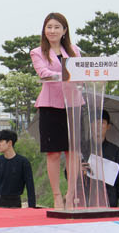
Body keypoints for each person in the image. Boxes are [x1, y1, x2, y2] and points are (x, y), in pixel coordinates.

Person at [30, 12, 81, 208]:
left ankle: (71, 194)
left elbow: (80, 72)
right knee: (53, 153)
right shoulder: (37, 52)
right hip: (50, 105)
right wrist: (66, 75)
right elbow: (44, 73)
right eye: (49, 27)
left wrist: (73, 76)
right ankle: (57, 196)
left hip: (73, 103)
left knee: (72, 152)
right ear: (44, 30)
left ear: (64, 30)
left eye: (57, 27)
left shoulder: (74, 50)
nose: (52, 31)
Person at [0, 128, 37, 208]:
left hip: (15, 204)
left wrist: (32, 208)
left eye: (1, 141)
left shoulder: (23, 162)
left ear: (9, 143)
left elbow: (30, 187)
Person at [99, 110, 119, 208]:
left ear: (108, 126)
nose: (98, 126)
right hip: (85, 204)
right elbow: (68, 174)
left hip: (109, 203)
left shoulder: (115, 151)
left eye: (102, 123)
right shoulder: (83, 150)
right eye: (94, 122)